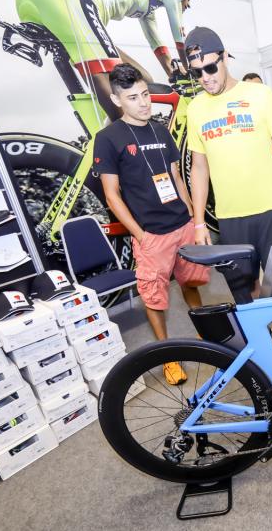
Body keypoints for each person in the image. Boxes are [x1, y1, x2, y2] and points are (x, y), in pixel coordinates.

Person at [184, 27, 272, 385]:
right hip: (230, 220)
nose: (205, 78)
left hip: (270, 211)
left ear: (224, 57)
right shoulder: (195, 109)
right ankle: (264, 341)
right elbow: (199, 168)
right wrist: (199, 222)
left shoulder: (259, 95)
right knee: (245, 291)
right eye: (196, 72)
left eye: (210, 68)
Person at [94, 64, 210, 384]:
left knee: (191, 282)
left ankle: (204, 335)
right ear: (117, 100)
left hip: (182, 224)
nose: (144, 102)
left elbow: (176, 177)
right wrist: (140, 235)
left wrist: (193, 218)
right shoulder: (107, 138)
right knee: (154, 298)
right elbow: (112, 195)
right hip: (151, 235)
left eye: (145, 94)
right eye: (133, 97)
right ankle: (167, 356)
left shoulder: (160, 130)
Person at [16, 0, 194, 120]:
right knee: (104, 72)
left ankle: (102, 130)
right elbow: (179, 37)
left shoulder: (148, 10)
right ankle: (126, 140)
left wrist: (175, 73)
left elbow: (158, 46)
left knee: (143, 80)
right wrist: (192, 71)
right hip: (74, 5)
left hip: (34, 7)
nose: (189, 3)